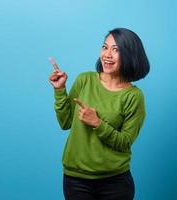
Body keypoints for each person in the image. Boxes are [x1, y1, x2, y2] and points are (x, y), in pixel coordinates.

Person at [48, 28, 150, 200]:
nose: (107, 55)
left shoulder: (134, 96)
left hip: (115, 183)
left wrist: (97, 123)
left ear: (130, 55)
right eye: (105, 47)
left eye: (116, 50)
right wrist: (60, 91)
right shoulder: (84, 80)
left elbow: (125, 143)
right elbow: (65, 122)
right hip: (76, 180)